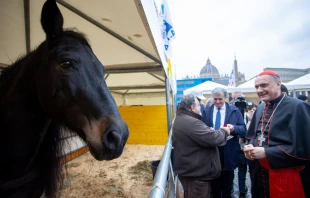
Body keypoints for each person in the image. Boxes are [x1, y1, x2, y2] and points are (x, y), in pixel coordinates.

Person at [244, 70, 310, 198]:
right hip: (261, 173)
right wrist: (250, 146)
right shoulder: (261, 107)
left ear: (278, 84)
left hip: (287, 175)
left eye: (264, 85)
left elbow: (304, 148)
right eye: (257, 87)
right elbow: (254, 135)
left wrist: (266, 152)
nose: (259, 90)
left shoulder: (298, 107)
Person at [172, 94, 230, 198]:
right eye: (199, 105)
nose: (201, 107)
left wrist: (208, 131)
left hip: (194, 173)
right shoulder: (190, 121)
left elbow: (201, 136)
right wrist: (224, 131)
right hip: (196, 177)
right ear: (192, 108)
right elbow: (214, 138)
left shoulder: (184, 118)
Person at [202, 87, 246, 198]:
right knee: (214, 186)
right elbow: (201, 129)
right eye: (215, 99)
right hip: (212, 152)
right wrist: (208, 131)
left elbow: (243, 129)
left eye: (220, 99)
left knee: (227, 186)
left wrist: (233, 128)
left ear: (226, 98)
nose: (217, 102)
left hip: (228, 152)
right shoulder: (207, 111)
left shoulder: (234, 111)